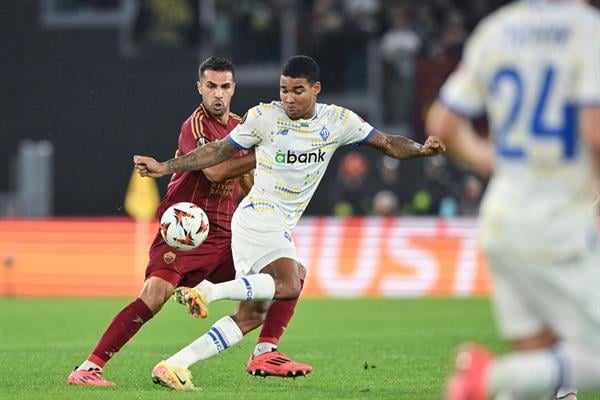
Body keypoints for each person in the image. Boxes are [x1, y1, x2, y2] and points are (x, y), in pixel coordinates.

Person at [134, 54, 446, 389]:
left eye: (297, 91)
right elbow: (216, 152)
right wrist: (166, 167)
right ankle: (210, 294)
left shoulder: (338, 120)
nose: (288, 98)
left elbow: (387, 143)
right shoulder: (264, 117)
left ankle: (175, 364)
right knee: (290, 282)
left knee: (256, 311)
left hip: (276, 222)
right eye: (283, 90)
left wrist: (421, 149)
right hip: (258, 217)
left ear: (316, 89)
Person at [67, 56, 308, 387]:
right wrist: (270, 152)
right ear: (200, 88)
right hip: (187, 230)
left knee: (287, 280)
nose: (218, 94)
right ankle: (88, 368)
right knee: (153, 297)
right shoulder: (195, 126)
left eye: (224, 86)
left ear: (234, 88)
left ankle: (264, 351)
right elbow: (215, 171)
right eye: (211, 86)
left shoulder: (244, 126)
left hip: (226, 235)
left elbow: (248, 182)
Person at [425, 1, 600, 399]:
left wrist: (491, 160)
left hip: (502, 214)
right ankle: (488, 379)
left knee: (541, 360)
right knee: (578, 358)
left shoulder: (498, 29)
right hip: (557, 218)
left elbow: (441, 124)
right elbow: (594, 134)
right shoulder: (588, 31)